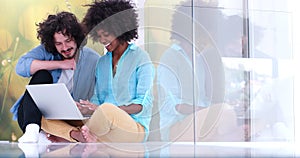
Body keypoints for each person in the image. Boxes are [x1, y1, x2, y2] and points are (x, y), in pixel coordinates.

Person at [157, 0, 244, 142]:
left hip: (198, 122)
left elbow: (202, 99)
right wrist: (204, 111)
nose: (208, 38)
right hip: (175, 128)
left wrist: (209, 110)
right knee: (224, 114)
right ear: (190, 30)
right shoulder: (170, 57)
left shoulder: (199, 61)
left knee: (228, 116)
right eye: (204, 33)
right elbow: (170, 105)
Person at [69, 0, 154, 143]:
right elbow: (97, 99)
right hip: (103, 126)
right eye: (99, 36)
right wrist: (87, 109)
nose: (102, 40)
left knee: (107, 110)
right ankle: (87, 137)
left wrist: (103, 110)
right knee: (48, 119)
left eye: (106, 34)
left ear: (121, 30)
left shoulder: (141, 58)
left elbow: (141, 105)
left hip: (133, 129)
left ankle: (76, 136)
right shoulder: (101, 63)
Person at [10, 11, 100, 143]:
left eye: (68, 41)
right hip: (35, 115)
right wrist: (61, 64)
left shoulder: (92, 59)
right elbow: (21, 67)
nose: (65, 47)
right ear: (53, 44)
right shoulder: (46, 52)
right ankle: (34, 130)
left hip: (68, 116)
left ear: (76, 38)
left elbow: (102, 92)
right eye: (59, 44)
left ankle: (67, 134)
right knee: (42, 75)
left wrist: (86, 107)